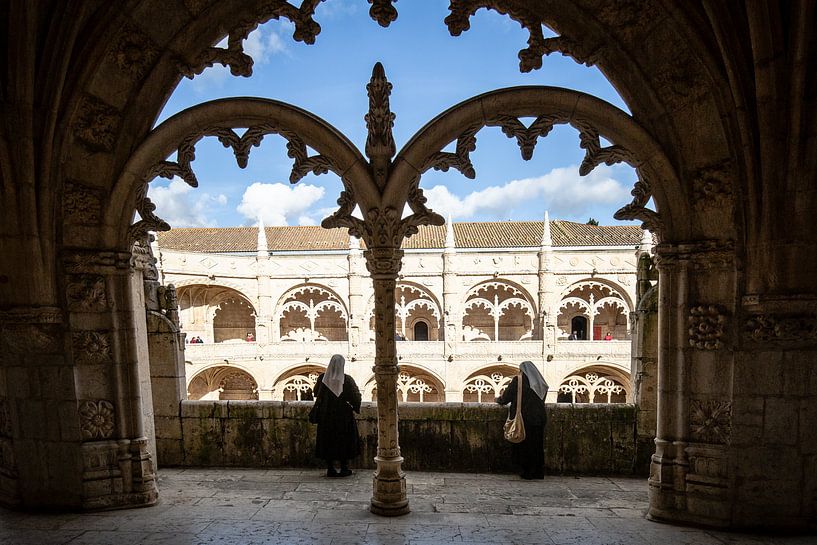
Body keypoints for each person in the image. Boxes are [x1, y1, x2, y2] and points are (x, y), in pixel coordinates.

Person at [311, 354, 362, 477]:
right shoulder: (347, 380)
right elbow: (355, 396)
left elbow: (315, 392)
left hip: (326, 414)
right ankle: (344, 467)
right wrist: (355, 407)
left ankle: (330, 468)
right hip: (343, 416)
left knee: (328, 439)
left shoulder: (323, 378)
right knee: (344, 439)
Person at [496, 361, 548, 479]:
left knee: (524, 445)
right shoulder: (540, 382)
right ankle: (538, 472)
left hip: (525, 418)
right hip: (539, 417)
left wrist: (499, 400)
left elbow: (506, 398)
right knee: (537, 445)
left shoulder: (519, 380)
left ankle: (527, 472)